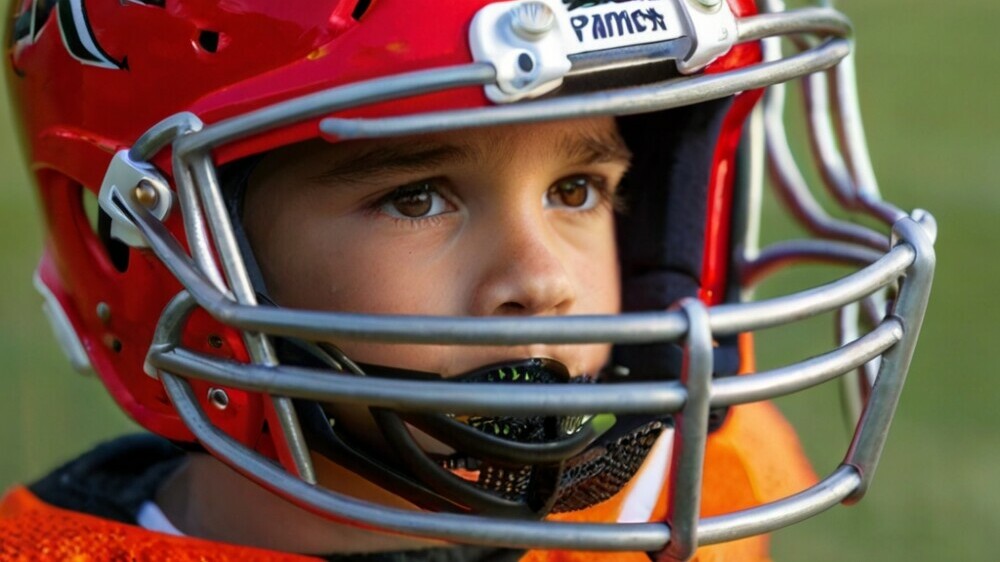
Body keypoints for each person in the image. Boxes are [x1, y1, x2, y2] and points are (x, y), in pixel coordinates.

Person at [0, 0, 936, 561]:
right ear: (166, 245)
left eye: (577, 189)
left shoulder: (694, 490)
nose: (541, 281)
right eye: (419, 198)